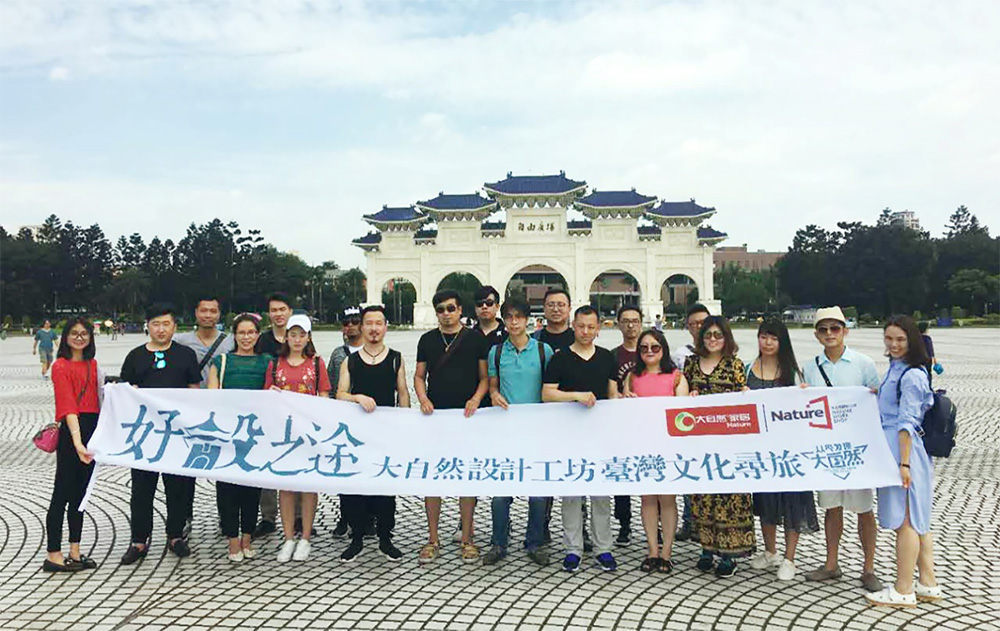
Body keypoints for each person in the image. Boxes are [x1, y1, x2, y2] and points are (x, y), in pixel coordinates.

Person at [802, 306, 883, 592]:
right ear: (816, 334)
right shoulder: (810, 367)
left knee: (864, 509)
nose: (829, 334)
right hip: (826, 447)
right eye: (823, 329)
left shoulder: (863, 363)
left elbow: (877, 402)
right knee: (831, 507)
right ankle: (831, 564)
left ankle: (869, 568)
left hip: (856, 448)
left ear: (845, 331)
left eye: (835, 328)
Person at [865, 316, 943, 607]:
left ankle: (903, 589)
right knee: (918, 519)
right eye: (889, 338)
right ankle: (928, 582)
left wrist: (905, 464)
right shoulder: (897, 368)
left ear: (912, 340)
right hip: (899, 452)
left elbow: (907, 422)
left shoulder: (911, 375)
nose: (894, 344)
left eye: (900, 339)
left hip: (903, 453)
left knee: (906, 520)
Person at [120, 304, 202, 565]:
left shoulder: (186, 355)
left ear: (174, 326)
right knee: (141, 490)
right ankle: (139, 540)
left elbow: (194, 389)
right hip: (145, 436)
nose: (161, 329)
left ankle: (175, 536)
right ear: (148, 326)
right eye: (156, 324)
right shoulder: (135, 356)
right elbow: (125, 393)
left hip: (177, 435)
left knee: (177, 488)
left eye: (166, 324)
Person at [542, 305, 620, 572]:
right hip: (569, 436)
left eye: (591, 327)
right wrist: (576, 396)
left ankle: (603, 548)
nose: (585, 331)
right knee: (572, 495)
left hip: (600, 436)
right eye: (581, 326)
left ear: (598, 329)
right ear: (573, 326)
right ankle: (573, 548)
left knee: (601, 495)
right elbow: (547, 393)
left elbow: (613, 394)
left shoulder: (607, 358)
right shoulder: (560, 358)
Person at [414, 289, 489, 563]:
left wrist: (476, 399)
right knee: (432, 478)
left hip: (468, 418)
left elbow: (485, 378)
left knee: (466, 479)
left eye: (450, 308)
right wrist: (423, 399)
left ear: (459, 311)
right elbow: (419, 376)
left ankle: (467, 539)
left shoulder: (475, 339)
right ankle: (432, 539)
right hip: (436, 418)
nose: (446, 314)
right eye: (441, 309)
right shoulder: (427, 340)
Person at [482, 297, 554, 567]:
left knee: (538, 492)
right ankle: (498, 542)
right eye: (509, 317)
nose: (514, 322)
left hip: (537, 430)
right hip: (506, 430)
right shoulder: (497, 352)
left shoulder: (544, 350)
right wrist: (494, 394)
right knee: (501, 493)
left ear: (528, 320)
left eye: (518, 317)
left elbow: (551, 388)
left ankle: (534, 542)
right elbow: (492, 384)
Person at [336, 305, 410, 563]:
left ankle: (385, 538)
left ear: (385, 327)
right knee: (355, 486)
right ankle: (356, 538)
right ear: (362, 327)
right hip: (357, 435)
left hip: (386, 434)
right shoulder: (351, 361)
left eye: (379, 323)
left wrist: (405, 425)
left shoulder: (396, 358)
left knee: (385, 487)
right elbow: (340, 394)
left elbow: (403, 393)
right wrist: (357, 397)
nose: (374, 328)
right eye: (369, 323)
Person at [746, 320, 819, 581]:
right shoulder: (748, 369)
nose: (767, 343)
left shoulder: (793, 373)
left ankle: (789, 558)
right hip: (760, 448)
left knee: (791, 502)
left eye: (773, 338)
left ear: (782, 342)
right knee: (765, 500)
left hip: (789, 450)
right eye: (763, 337)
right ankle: (770, 551)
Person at [683, 315, 754, 577]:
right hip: (700, 443)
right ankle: (707, 548)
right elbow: (680, 397)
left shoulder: (735, 364)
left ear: (726, 338)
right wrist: (688, 396)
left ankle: (729, 553)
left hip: (729, 443)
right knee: (703, 496)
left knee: (729, 496)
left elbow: (743, 397)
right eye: (708, 335)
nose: (712, 339)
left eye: (718, 335)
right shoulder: (691, 364)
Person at [264, 314, 331, 562]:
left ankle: (306, 538)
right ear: (286, 337)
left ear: (309, 337)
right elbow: (266, 395)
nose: (297, 339)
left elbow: (324, 394)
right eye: (293, 334)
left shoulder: (316, 364)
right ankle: (288, 537)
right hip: (283, 434)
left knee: (308, 485)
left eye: (302, 335)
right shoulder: (275, 364)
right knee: (286, 486)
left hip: (308, 433)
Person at [622, 328, 689, 572]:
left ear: (664, 349)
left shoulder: (677, 377)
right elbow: (622, 410)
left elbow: (683, 415)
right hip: (642, 445)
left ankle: (667, 552)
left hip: (668, 446)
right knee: (647, 499)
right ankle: (652, 550)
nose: (649, 351)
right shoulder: (632, 376)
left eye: (655, 347)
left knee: (668, 500)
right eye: (644, 348)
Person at [206, 313, 270, 562]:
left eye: (251, 332)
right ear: (234, 335)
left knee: (251, 488)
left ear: (258, 334)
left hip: (254, 435)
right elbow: (211, 397)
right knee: (227, 489)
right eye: (241, 333)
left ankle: (247, 536)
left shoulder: (267, 362)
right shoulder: (222, 362)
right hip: (227, 434)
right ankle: (232, 538)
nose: (246, 337)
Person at [44, 318, 101, 573]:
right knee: (62, 494)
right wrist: (78, 443)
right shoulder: (60, 366)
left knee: (80, 495)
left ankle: (75, 551)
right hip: (71, 433)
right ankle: (53, 554)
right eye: (74, 333)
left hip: (91, 430)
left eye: (84, 333)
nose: (79, 337)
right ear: (66, 337)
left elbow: (99, 399)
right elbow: (68, 406)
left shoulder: (93, 364)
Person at [175, 295, 235, 536]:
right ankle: (183, 516)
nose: (208, 315)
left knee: (223, 465)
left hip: (221, 412)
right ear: (196, 313)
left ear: (219, 314)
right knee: (186, 467)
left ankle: (226, 516)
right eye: (204, 310)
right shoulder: (181, 341)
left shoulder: (230, 341)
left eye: (213, 311)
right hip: (189, 412)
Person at [253, 291, 294, 539]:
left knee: (296, 459)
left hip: (294, 412)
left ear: (290, 311)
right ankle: (268, 516)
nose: (278, 314)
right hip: (268, 411)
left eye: (282, 309)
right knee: (267, 461)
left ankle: (298, 517)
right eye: (274, 310)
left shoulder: (298, 335)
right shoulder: (262, 341)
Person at [671, 303, 710, 543]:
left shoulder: (723, 352)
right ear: (687, 326)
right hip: (686, 420)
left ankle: (708, 525)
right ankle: (689, 521)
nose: (698, 327)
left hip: (713, 422)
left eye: (702, 322)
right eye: (694, 323)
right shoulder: (680, 354)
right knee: (688, 471)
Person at [328, 306, 364, 540]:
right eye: (346, 322)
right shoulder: (337, 354)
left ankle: (369, 518)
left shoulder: (374, 351)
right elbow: (332, 386)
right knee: (345, 470)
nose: (350, 326)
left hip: (370, 417)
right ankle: (346, 517)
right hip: (344, 419)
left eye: (354, 321)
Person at [611, 305, 643, 547]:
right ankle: (624, 523)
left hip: (647, 424)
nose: (630, 325)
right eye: (625, 321)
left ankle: (657, 525)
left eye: (635, 320)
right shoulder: (612, 356)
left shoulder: (652, 351)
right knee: (621, 475)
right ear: (619, 324)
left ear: (641, 323)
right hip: (620, 425)